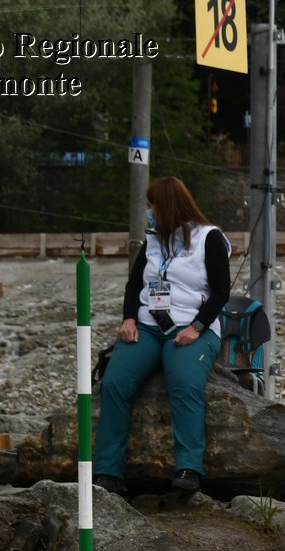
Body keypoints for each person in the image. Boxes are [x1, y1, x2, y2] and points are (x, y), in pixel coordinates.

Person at [94, 176, 231, 495]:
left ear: (165, 206)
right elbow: (133, 286)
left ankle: (189, 468)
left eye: (152, 205)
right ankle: (108, 471)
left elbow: (222, 292)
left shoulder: (208, 238)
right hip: (147, 326)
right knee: (114, 383)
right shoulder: (152, 241)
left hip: (192, 328)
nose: (148, 211)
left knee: (184, 383)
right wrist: (128, 319)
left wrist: (196, 327)